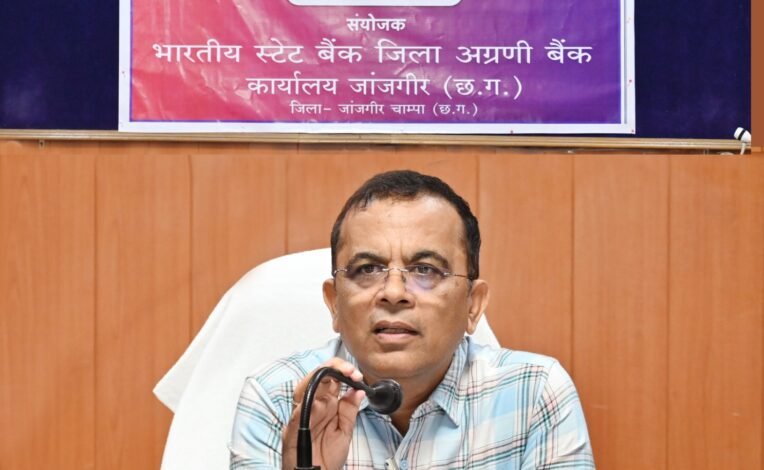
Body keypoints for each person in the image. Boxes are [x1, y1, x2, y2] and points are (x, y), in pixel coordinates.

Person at [230, 170, 595, 469]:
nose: (393, 292)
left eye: (425, 269)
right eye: (367, 268)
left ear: (472, 305)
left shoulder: (533, 394)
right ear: (334, 303)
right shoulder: (279, 401)